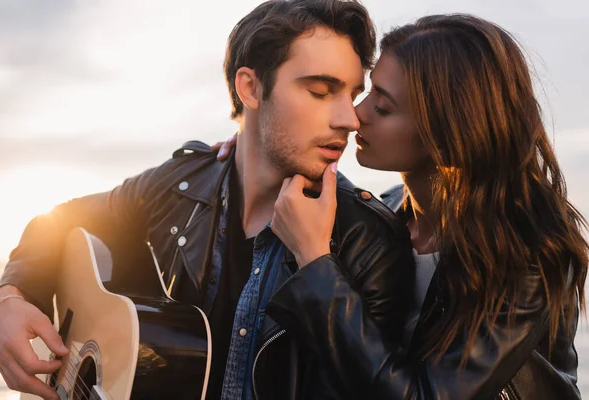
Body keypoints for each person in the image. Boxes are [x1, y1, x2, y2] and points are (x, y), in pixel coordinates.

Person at [0, 1, 415, 399]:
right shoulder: (181, 185)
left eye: (352, 94)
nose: (348, 118)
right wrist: (9, 296)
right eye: (322, 91)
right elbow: (60, 219)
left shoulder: (368, 241)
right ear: (249, 87)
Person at [217, 13, 588, 400]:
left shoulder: (526, 250)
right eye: (369, 92)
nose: (356, 115)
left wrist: (314, 261)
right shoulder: (389, 212)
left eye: (383, 107)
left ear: (446, 133)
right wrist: (252, 146)